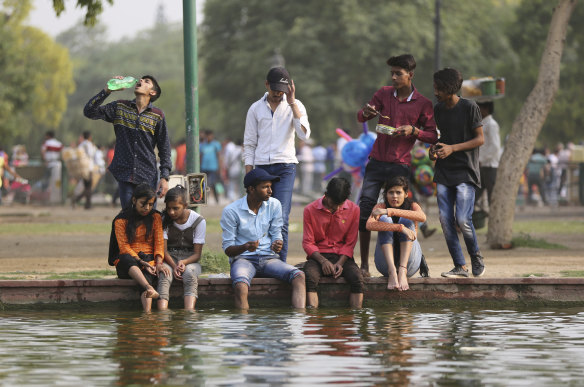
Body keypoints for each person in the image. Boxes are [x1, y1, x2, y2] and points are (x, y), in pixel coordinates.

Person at [356, 54, 437, 277]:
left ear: (410, 75)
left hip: (400, 166)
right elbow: (361, 117)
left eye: (398, 73)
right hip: (376, 161)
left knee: (404, 214)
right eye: (391, 73)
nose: (393, 77)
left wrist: (414, 131)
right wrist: (367, 112)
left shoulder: (423, 103)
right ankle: (363, 265)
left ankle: (411, 262)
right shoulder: (383, 93)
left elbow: (432, 135)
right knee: (364, 212)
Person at [243, 66, 311, 263]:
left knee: (280, 216)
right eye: (275, 90)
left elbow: (304, 135)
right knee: (258, 215)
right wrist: (249, 175)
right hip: (262, 167)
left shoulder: (295, 105)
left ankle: (279, 263)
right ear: (266, 85)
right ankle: (260, 260)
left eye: (282, 90)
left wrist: (292, 104)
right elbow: (249, 143)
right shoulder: (255, 108)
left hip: (285, 166)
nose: (278, 94)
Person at [220, 168, 306, 310]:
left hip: (269, 259)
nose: (270, 191)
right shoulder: (231, 211)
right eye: (265, 187)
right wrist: (245, 247)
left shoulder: (274, 205)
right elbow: (228, 250)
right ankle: (243, 329)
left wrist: (277, 243)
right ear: (252, 189)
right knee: (241, 286)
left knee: (299, 276)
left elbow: (276, 233)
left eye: (270, 186)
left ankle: (297, 321)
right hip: (243, 259)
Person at [83, 75, 172, 209]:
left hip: (148, 175)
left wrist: (164, 177)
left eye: (146, 81)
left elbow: (164, 148)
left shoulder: (157, 115)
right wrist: (107, 91)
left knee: (148, 218)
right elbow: (89, 112)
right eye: (140, 80)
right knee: (129, 218)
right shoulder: (120, 107)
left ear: (152, 92)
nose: (141, 81)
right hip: (125, 174)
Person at [430, 68, 485, 278]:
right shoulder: (438, 110)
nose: (435, 91)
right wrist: (433, 150)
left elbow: (480, 139)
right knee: (445, 220)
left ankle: (476, 255)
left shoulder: (469, 107)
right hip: (444, 171)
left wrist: (453, 148)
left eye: (438, 88)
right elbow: (438, 137)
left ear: (449, 88)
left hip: (465, 171)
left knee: (462, 218)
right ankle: (460, 266)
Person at [302, 177, 364, 308]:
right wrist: (323, 261)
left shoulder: (354, 210)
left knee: (357, 279)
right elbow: (308, 242)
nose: (336, 207)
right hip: (318, 256)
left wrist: (340, 263)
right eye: (333, 203)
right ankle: (312, 318)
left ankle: (356, 316)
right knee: (310, 278)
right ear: (326, 194)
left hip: (342, 256)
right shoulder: (309, 210)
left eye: (340, 204)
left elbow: (350, 242)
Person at [108, 183, 165, 312]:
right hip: (127, 264)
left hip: (150, 262)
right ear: (134, 200)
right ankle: (148, 287)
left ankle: (147, 314)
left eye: (151, 204)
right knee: (127, 259)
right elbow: (124, 248)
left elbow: (159, 243)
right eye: (143, 204)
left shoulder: (156, 217)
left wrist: (158, 263)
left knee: (147, 273)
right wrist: (141, 261)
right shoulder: (121, 220)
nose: (147, 208)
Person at [366, 176, 429, 291]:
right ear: (386, 194)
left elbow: (422, 217)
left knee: (406, 218)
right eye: (391, 192)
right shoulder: (380, 207)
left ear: (406, 194)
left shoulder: (412, 206)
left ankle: (402, 271)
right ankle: (392, 272)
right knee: (384, 220)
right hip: (385, 266)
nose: (394, 196)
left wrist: (389, 211)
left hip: (410, 265)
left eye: (398, 192)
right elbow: (369, 225)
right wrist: (400, 228)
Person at [157, 185, 206, 311]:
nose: (171, 212)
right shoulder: (164, 219)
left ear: (185, 205)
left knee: (190, 274)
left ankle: (189, 313)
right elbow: (164, 250)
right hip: (169, 259)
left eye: (176, 208)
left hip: (191, 260)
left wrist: (183, 262)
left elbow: (197, 254)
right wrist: (174, 266)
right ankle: (162, 314)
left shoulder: (199, 221)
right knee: (165, 274)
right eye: (168, 208)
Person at [476, 101, 502, 209]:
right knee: (473, 195)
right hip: (482, 166)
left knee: (492, 198)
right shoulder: (483, 123)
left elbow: (495, 146)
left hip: (490, 167)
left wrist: (482, 158)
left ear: (485, 109)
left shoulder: (491, 124)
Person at [73, 131, 98, 209]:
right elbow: (91, 154)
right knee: (89, 186)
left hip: (83, 168)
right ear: (90, 137)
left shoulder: (81, 145)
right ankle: (82, 202)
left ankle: (85, 203)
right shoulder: (89, 144)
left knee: (87, 186)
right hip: (89, 167)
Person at [200, 129, 223, 204]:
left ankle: (215, 199)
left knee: (211, 183)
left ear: (212, 136)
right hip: (204, 167)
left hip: (213, 167)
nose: (209, 137)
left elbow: (219, 156)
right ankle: (204, 199)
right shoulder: (203, 145)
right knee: (205, 183)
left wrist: (220, 167)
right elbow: (200, 156)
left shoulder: (216, 144)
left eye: (210, 136)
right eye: (207, 136)